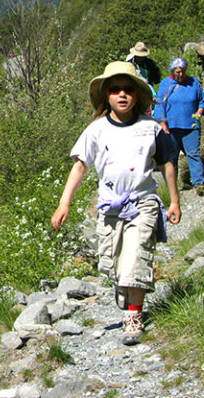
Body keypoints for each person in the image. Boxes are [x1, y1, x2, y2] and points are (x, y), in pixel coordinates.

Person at [51, 61, 180, 346]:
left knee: (136, 255)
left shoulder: (151, 129)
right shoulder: (96, 130)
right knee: (115, 264)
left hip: (142, 202)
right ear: (107, 95)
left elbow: (167, 164)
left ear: (137, 95)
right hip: (109, 207)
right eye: (115, 89)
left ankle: (134, 315)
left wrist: (174, 202)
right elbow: (80, 166)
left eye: (128, 90)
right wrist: (65, 203)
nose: (122, 95)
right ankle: (128, 296)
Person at [153, 58, 204, 195]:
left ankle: (199, 184)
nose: (181, 74)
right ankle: (172, 186)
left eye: (183, 71)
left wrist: (199, 112)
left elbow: (201, 101)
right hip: (171, 127)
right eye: (178, 72)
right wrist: (162, 123)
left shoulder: (193, 83)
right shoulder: (166, 83)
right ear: (172, 71)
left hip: (191, 127)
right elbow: (160, 105)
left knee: (193, 154)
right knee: (171, 157)